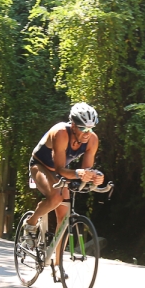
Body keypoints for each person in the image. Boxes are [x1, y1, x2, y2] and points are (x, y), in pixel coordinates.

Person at [23, 102, 105, 246]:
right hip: (40, 165)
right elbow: (60, 169)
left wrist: (95, 177)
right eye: (83, 128)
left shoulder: (93, 139)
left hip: (60, 172)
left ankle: (56, 265)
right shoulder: (60, 132)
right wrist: (79, 174)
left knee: (64, 218)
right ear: (73, 125)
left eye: (91, 129)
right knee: (55, 197)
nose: (87, 133)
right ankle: (30, 223)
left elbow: (87, 171)